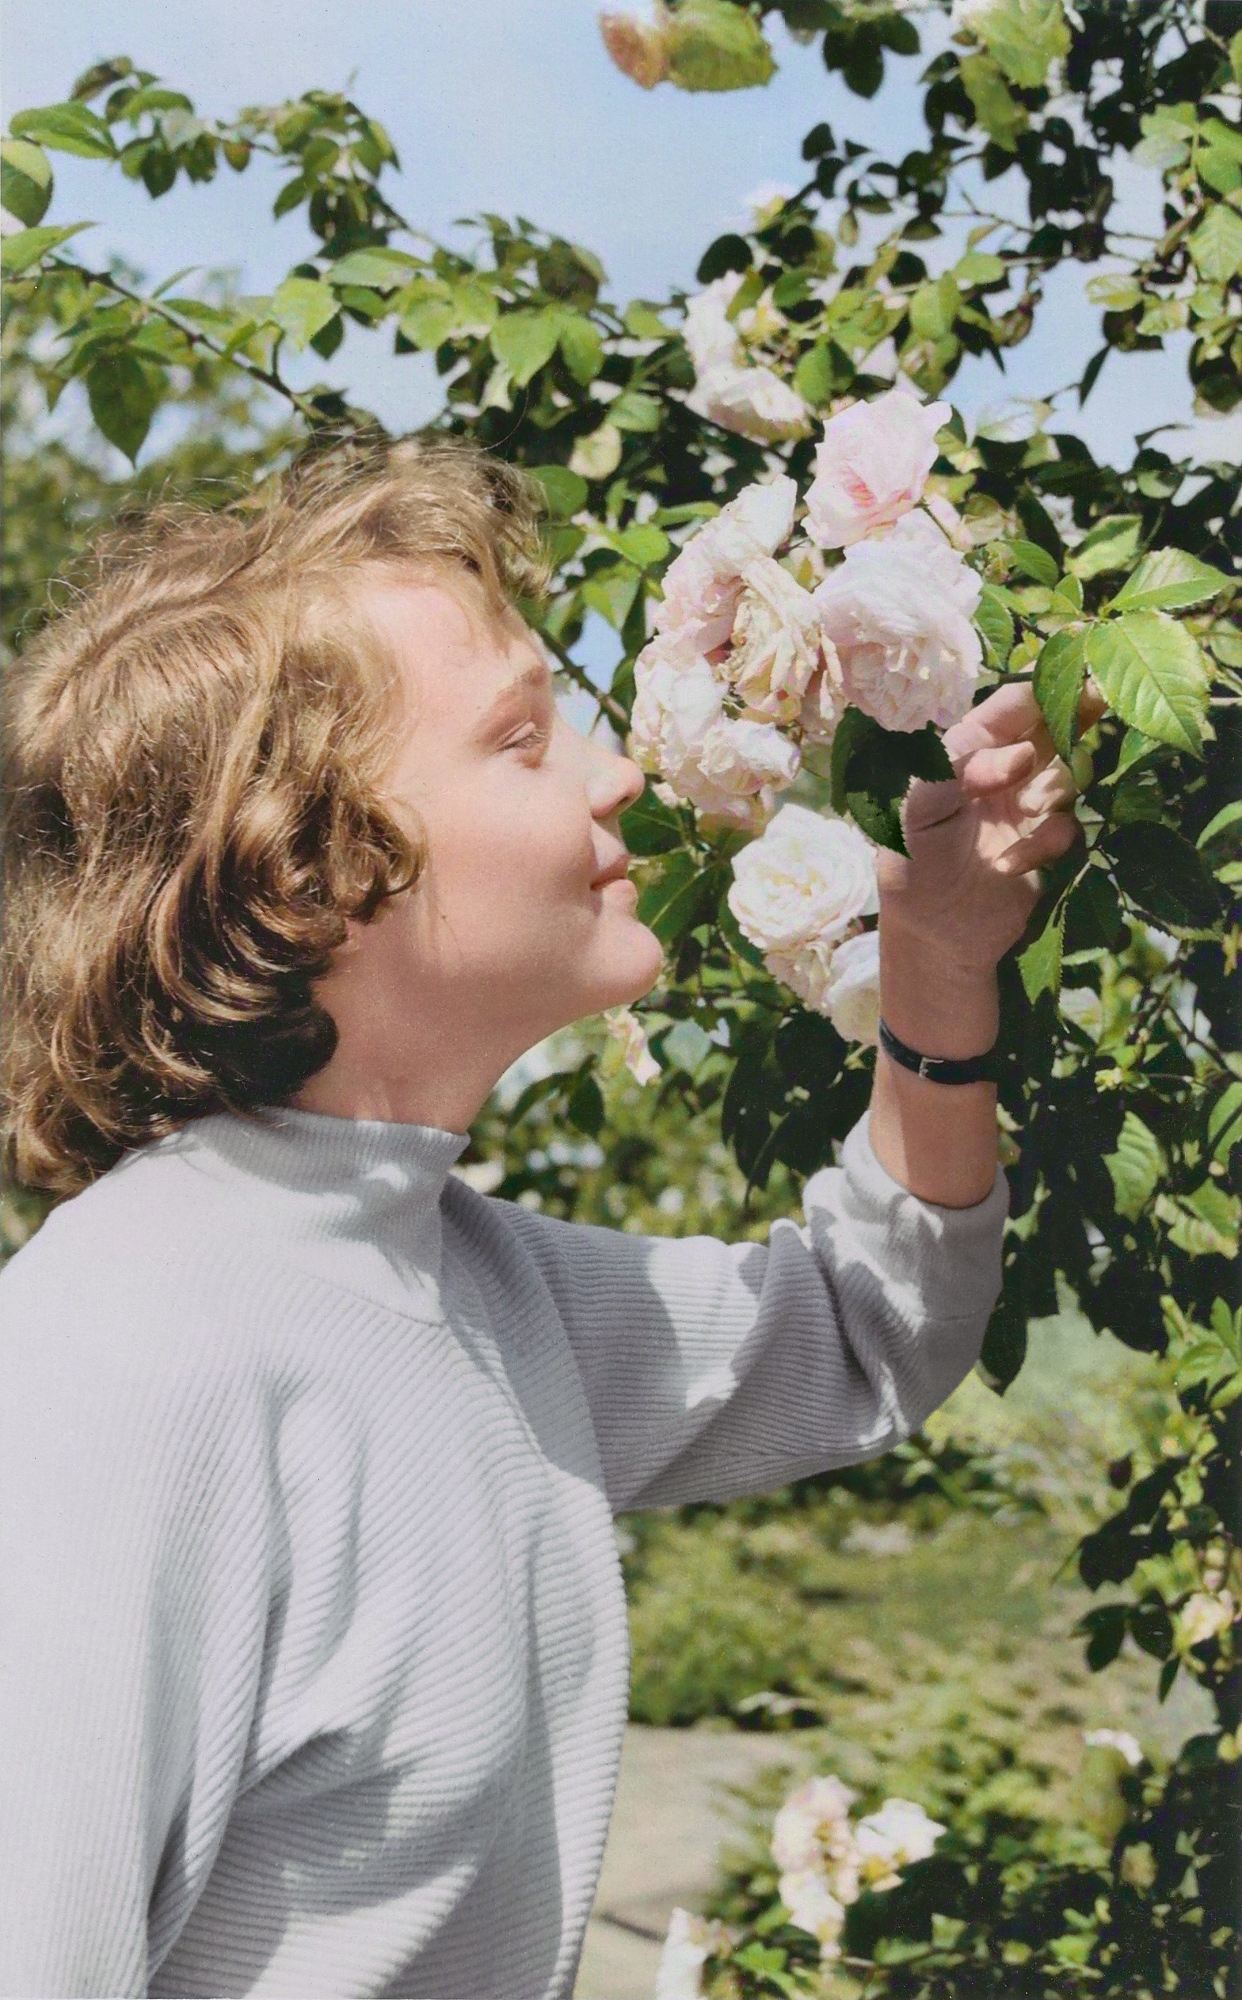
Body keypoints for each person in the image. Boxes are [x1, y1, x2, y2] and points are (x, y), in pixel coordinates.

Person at [0, 437, 1083, 2000]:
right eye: (520, 739)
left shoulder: (467, 1282)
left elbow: (869, 1329)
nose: (611, 773)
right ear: (304, 870)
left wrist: (937, 964)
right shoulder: (121, 1367)